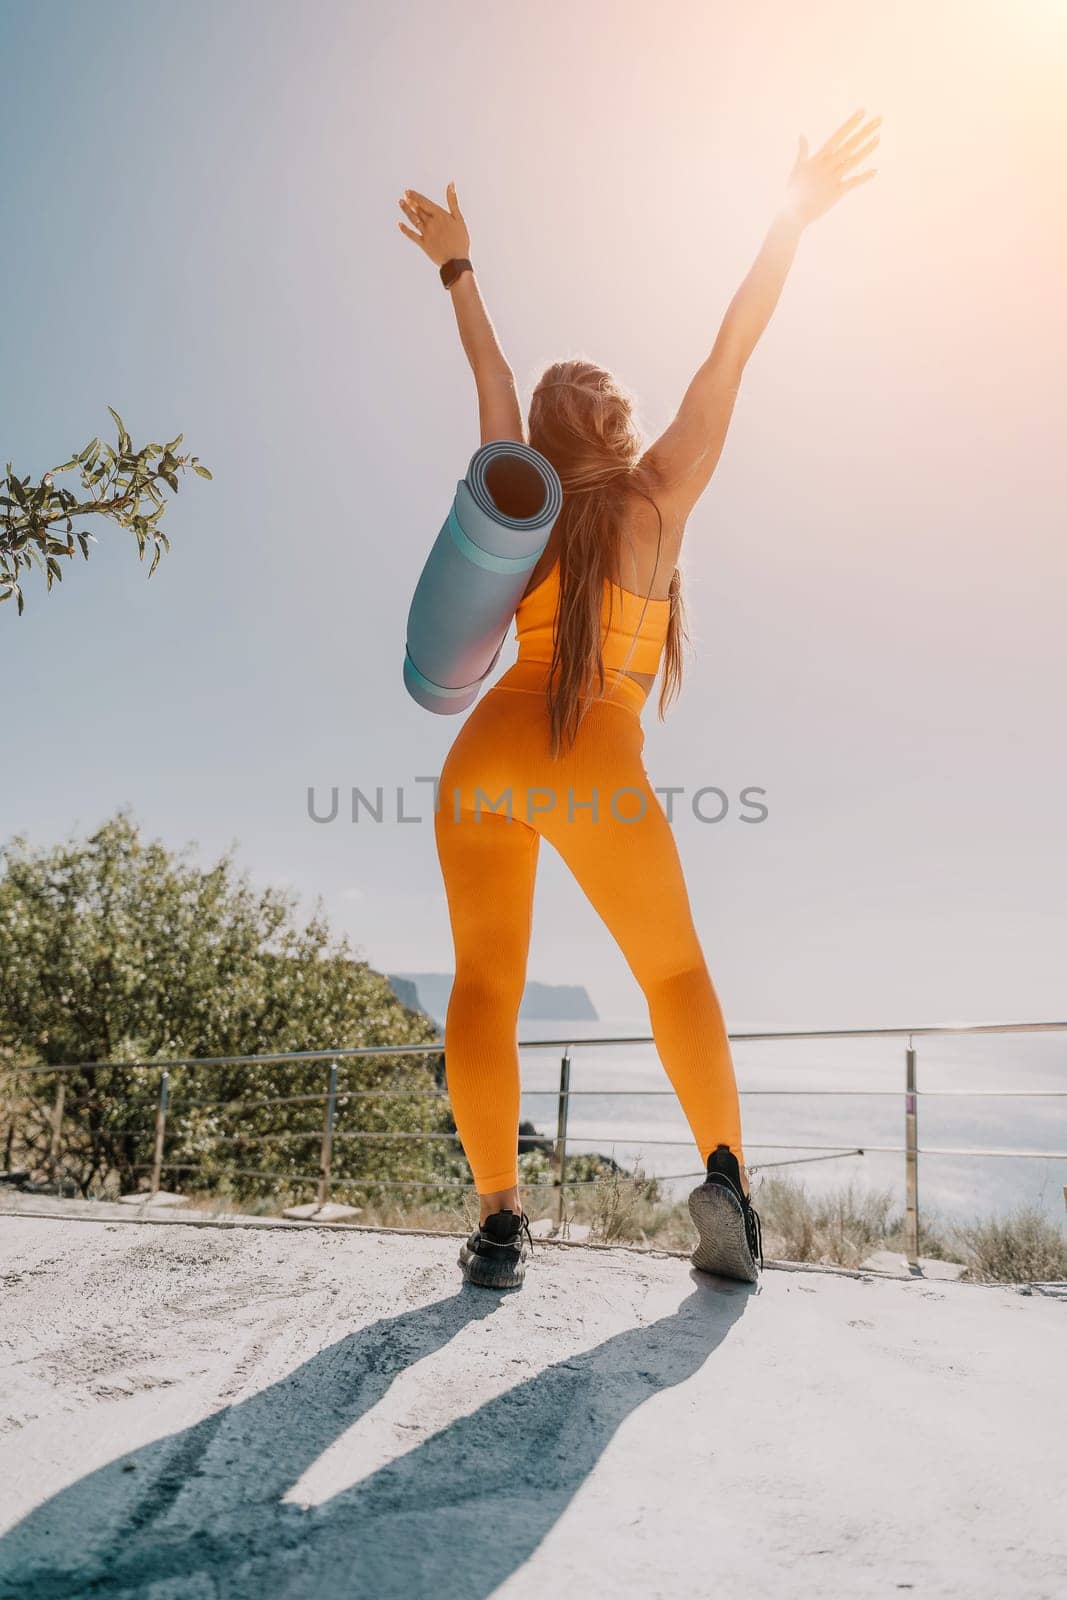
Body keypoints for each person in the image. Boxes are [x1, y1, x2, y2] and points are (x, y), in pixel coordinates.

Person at [397, 110, 880, 1289]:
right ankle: (726, 1180)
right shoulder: (662, 494)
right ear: (617, 420)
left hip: (484, 753)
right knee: (671, 975)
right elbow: (733, 348)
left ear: (551, 435)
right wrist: (791, 216)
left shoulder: (521, 496)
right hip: (590, 756)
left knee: (481, 986)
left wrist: (459, 264)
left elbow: (490, 375)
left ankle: (500, 1221)